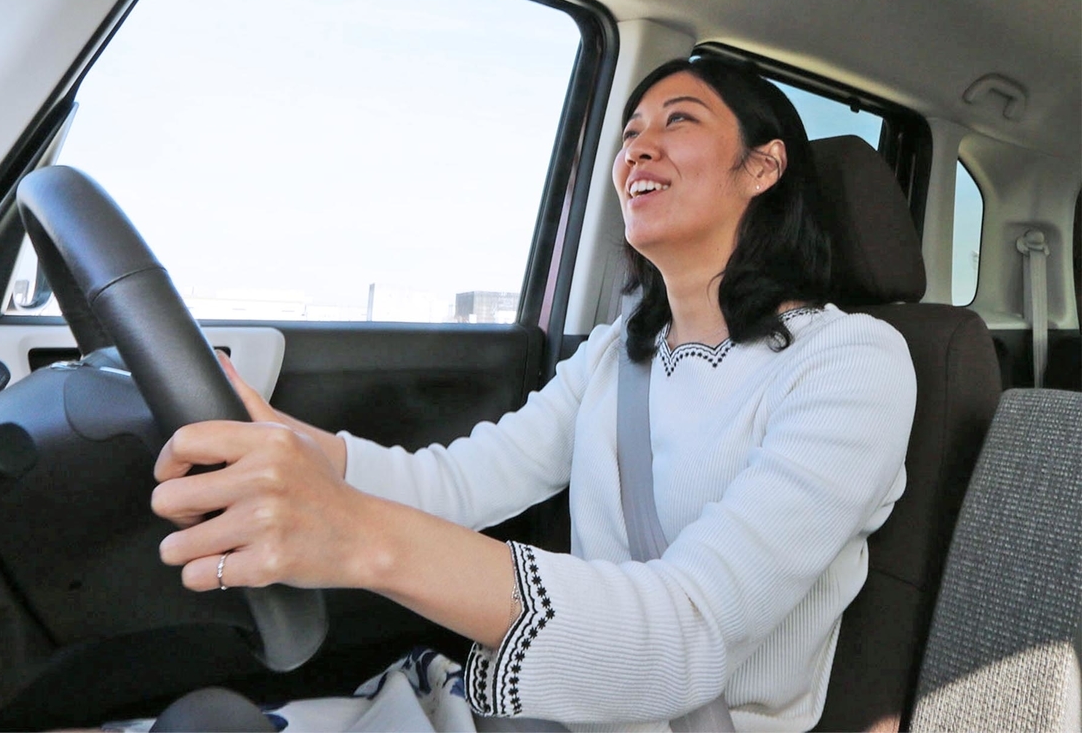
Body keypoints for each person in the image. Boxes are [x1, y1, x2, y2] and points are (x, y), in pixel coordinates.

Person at [137, 57, 917, 731]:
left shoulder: (852, 364)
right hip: (532, 710)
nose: (638, 146)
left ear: (762, 166)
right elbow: (460, 485)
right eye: (630, 130)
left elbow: (687, 635)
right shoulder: (622, 350)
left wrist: (359, 537)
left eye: (678, 121)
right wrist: (291, 441)